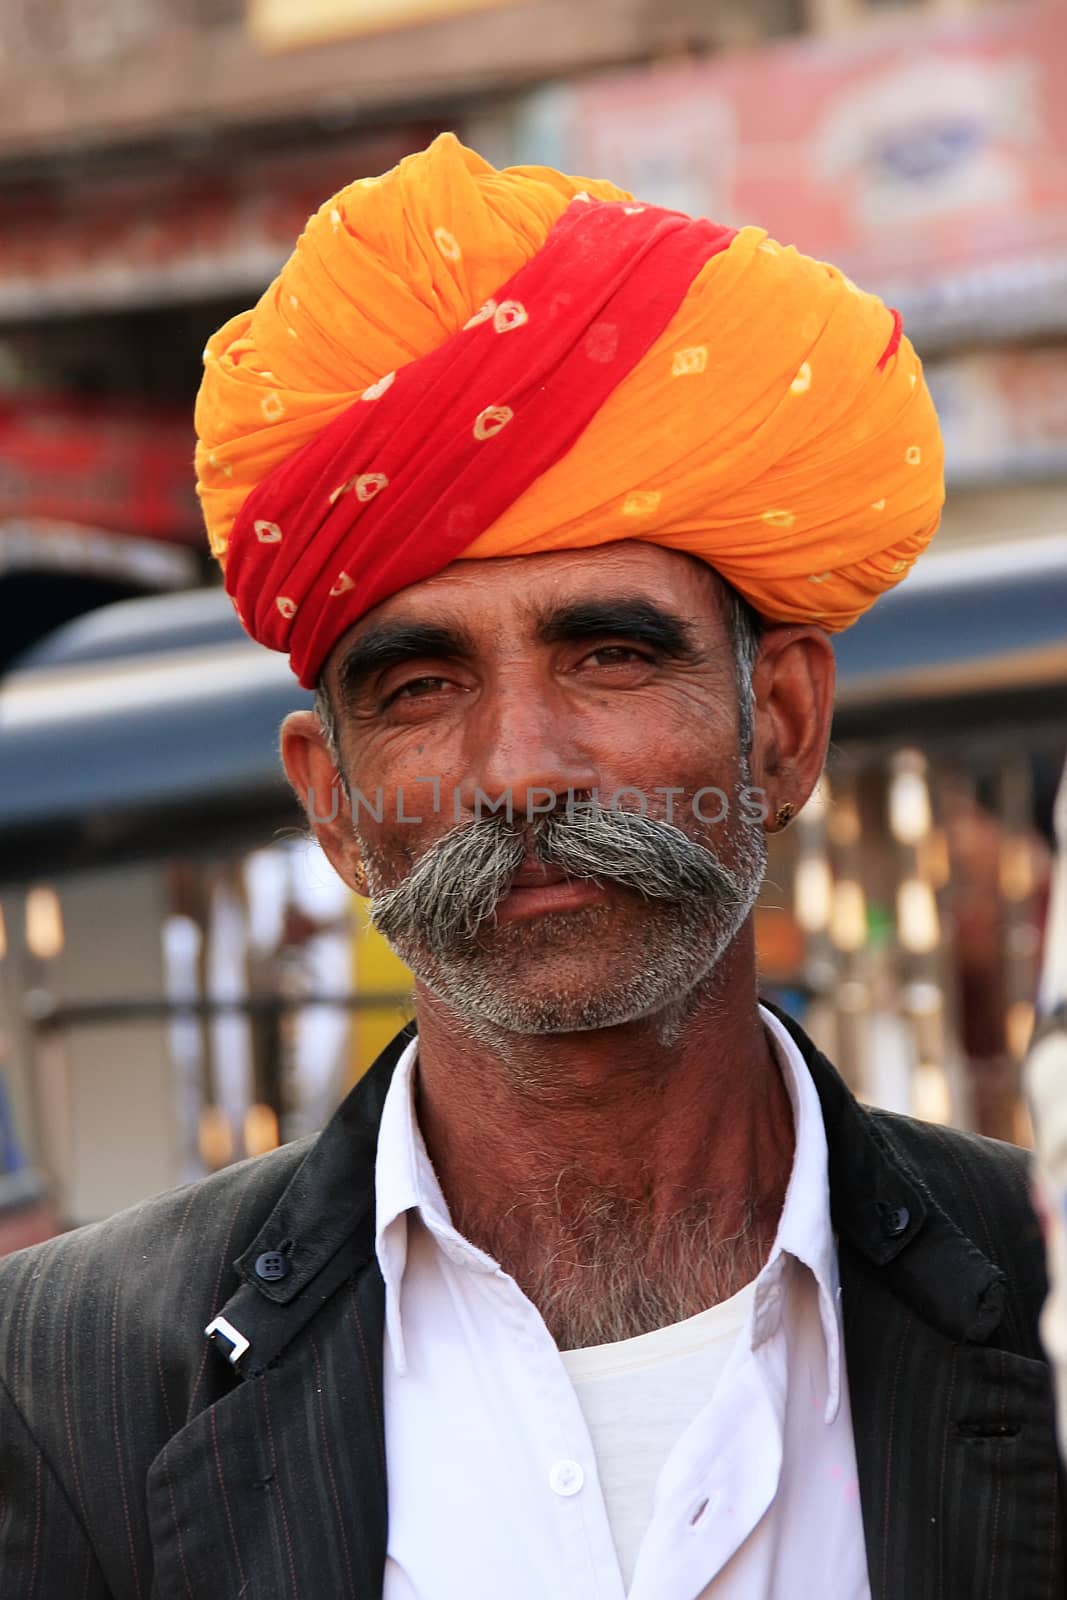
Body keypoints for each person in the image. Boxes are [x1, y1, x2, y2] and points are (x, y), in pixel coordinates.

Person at [0, 133, 1062, 1600]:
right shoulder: (70, 1377)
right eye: (422, 687)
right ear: (334, 801)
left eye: (610, 655)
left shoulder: (1038, 1294)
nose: (519, 770)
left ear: (782, 726)